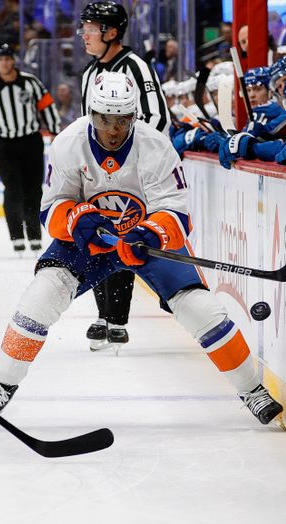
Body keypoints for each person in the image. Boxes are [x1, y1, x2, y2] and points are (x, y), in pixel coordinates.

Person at [0, 71, 284, 431]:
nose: (113, 129)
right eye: (105, 119)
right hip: (89, 243)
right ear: (91, 113)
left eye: (122, 119)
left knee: (199, 307)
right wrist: (75, 219)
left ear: (134, 116)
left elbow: (176, 212)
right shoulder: (69, 143)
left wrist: (150, 233)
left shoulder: (156, 145)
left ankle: (252, 390)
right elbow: (50, 208)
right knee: (41, 297)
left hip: (145, 241)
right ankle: (2, 384)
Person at [77, 1, 171, 352]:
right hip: (97, 169)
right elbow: (84, 126)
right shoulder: (89, 72)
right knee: (99, 234)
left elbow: (157, 117)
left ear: (112, 32)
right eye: (84, 27)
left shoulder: (135, 67)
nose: (84, 34)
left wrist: (130, 161)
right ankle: (104, 314)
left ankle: (117, 318)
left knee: (125, 234)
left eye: (91, 27)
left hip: (133, 170)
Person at [0, 43, 61, 254]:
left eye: (7, 58)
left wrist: (55, 133)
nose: (4, 63)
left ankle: (34, 236)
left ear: (13, 60)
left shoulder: (30, 82)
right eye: (0, 59)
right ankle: (16, 236)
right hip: (5, 145)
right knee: (13, 190)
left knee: (33, 190)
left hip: (31, 141)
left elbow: (47, 106)